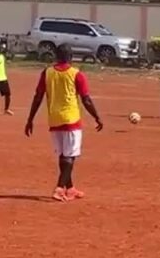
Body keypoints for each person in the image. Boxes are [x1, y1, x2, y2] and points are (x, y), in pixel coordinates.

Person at [25, 43, 104, 202]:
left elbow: (38, 97)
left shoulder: (47, 73)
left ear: (56, 56)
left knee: (63, 156)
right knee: (70, 156)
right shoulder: (76, 74)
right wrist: (97, 117)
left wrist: (30, 119)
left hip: (54, 119)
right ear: (71, 57)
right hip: (71, 119)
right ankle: (60, 188)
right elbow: (86, 100)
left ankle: (71, 188)